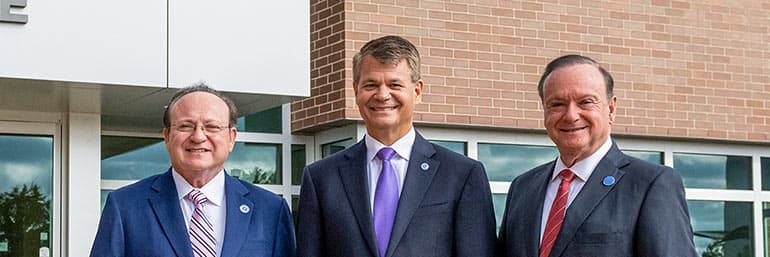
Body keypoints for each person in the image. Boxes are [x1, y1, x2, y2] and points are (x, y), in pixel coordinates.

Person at [297, 35, 496, 257]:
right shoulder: (321, 178)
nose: (382, 95)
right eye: (371, 85)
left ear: (417, 91)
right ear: (356, 90)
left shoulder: (462, 175)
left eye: (395, 84)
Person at [497, 55, 697, 257]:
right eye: (557, 104)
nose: (571, 115)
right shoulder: (522, 188)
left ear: (611, 109)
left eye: (585, 102)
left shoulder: (650, 185)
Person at [90, 84, 296, 257]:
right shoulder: (125, 206)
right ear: (167, 136)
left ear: (231, 137)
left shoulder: (270, 210)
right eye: (186, 126)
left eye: (212, 126)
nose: (198, 136)